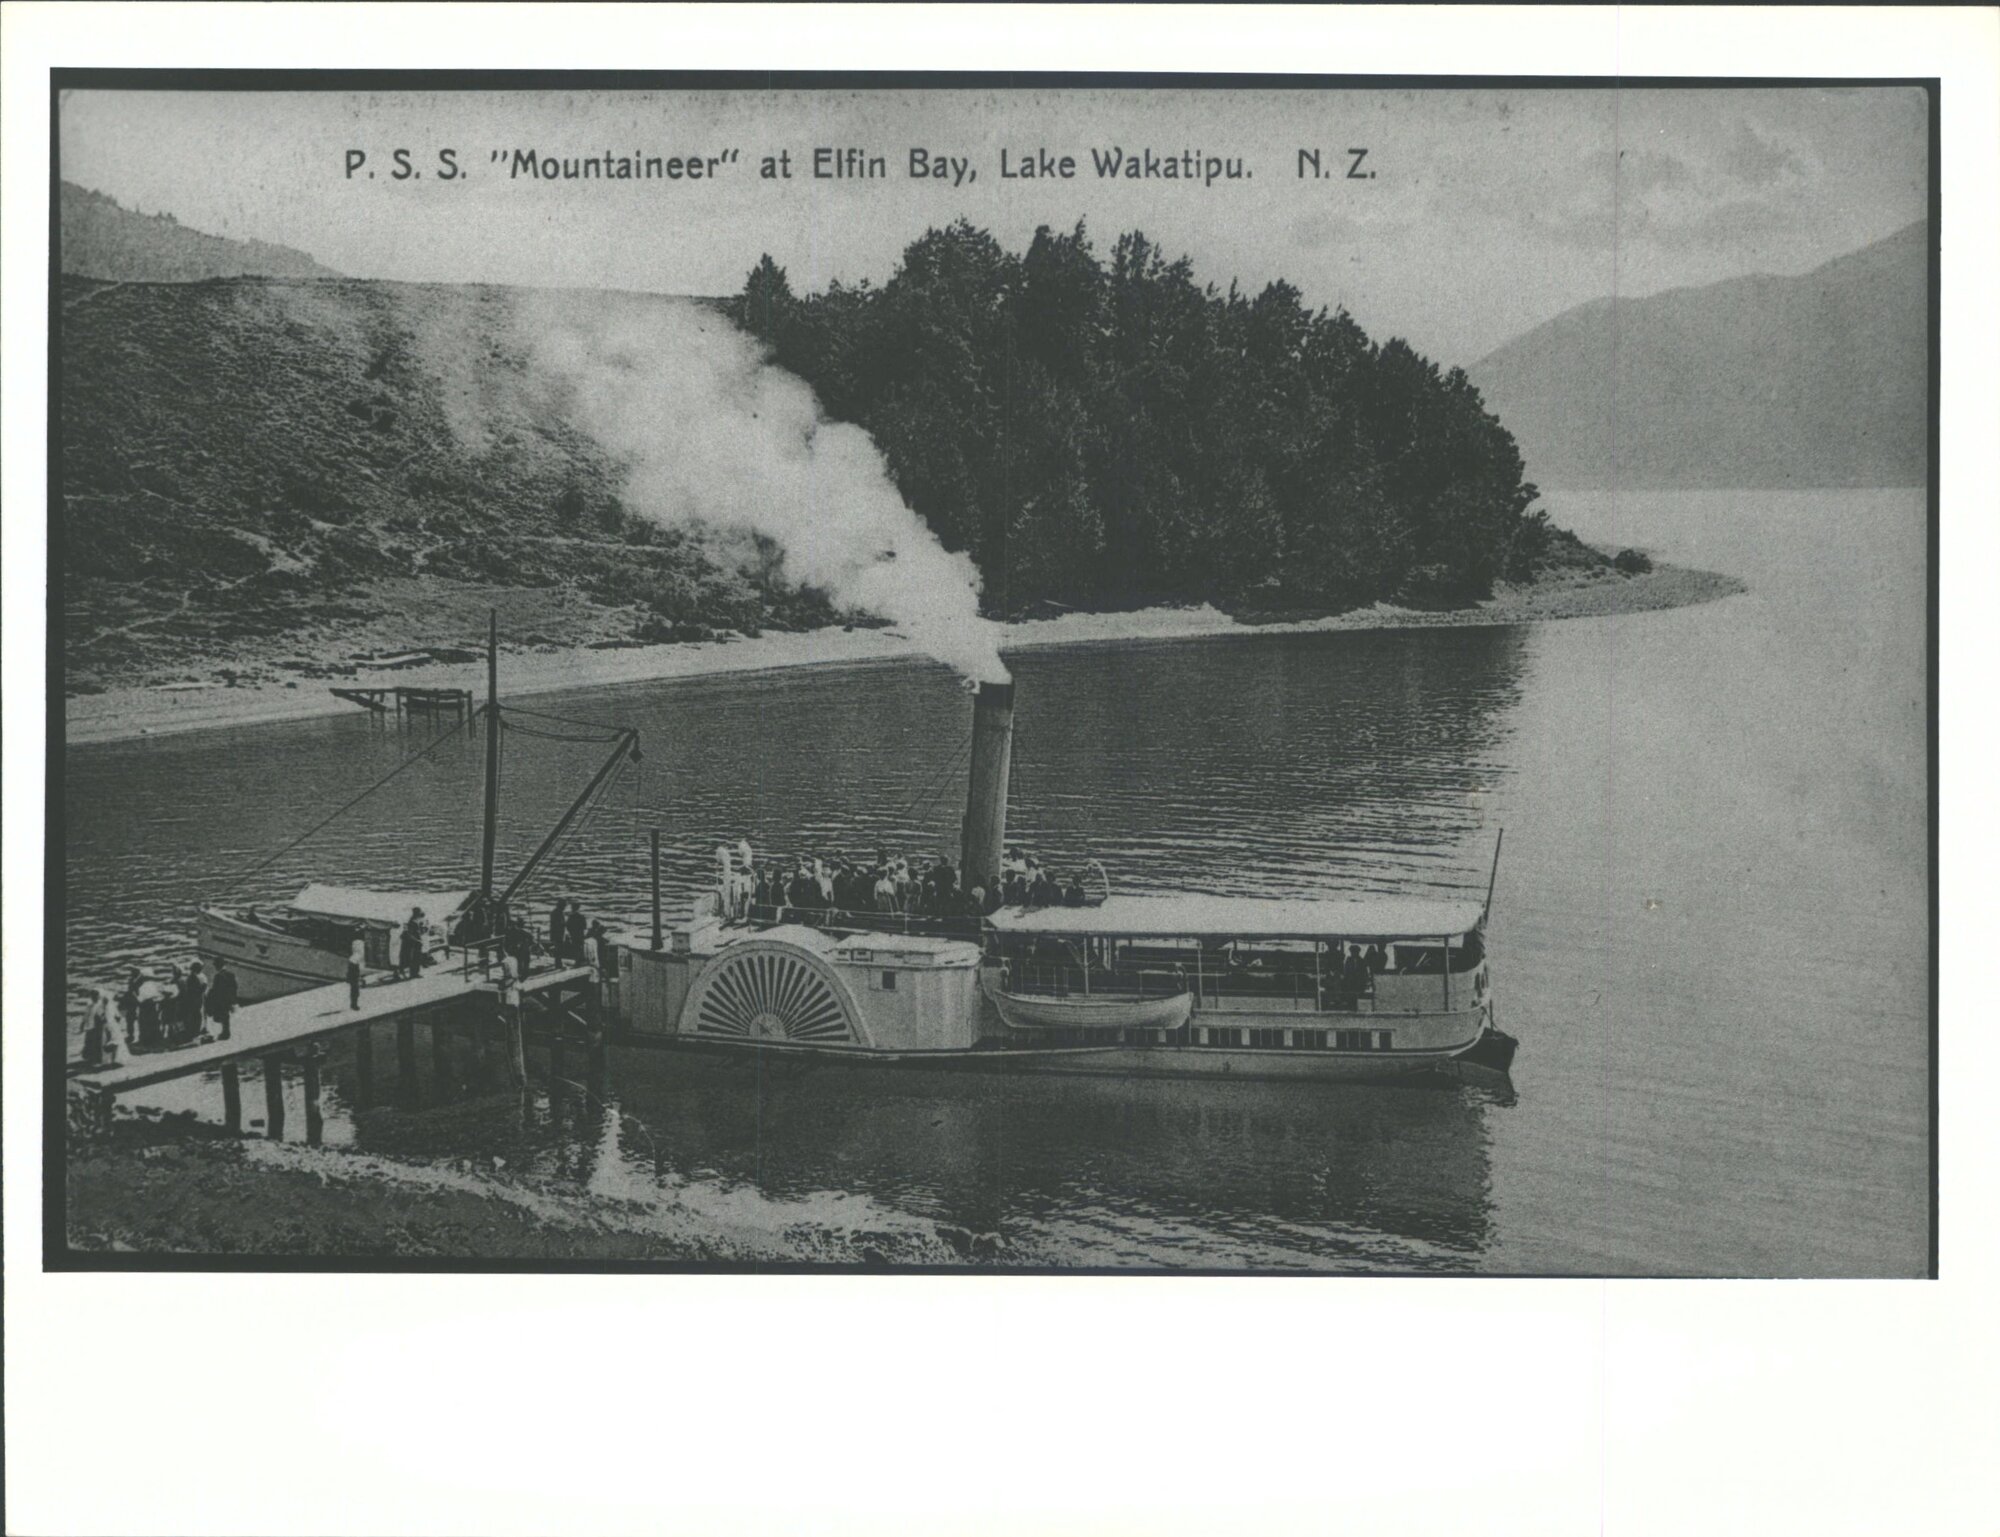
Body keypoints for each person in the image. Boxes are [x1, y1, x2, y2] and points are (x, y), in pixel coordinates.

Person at [207, 959, 239, 1040]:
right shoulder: (231, 975)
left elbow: (215, 990)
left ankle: (225, 1033)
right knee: (226, 1016)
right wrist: (233, 999)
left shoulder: (218, 976)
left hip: (221, 1000)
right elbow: (234, 987)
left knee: (223, 1016)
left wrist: (212, 999)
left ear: (218, 966)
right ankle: (226, 1032)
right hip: (229, 998)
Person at [118, 969, 143, 1047]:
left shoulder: (136, 982)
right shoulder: (136, 981)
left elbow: (134, 992)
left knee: (131, 1020)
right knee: (130, 1020)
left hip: (133, 1002)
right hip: (132, 1002)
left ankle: (132, 1035)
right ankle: (132, 1035)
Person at [398, 908, 425, 980]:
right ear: (417, 913)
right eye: (419, 912)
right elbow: (410, 934)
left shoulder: (415, 920)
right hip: (413, 943)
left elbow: (417, 932)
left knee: (417, 958)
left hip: (416, 942)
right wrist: (417, 941)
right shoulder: (412, 922)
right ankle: (413, 973)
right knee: (414, 958)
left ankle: (415, 973)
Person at [347, 930, 366, 1010]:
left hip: (352, 963)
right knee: (355, 989)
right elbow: (361, 956)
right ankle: (354, 1005)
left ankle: (353, 1003)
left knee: (353, 988)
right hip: (355, 965)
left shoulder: (354, 943)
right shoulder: (361, 944)